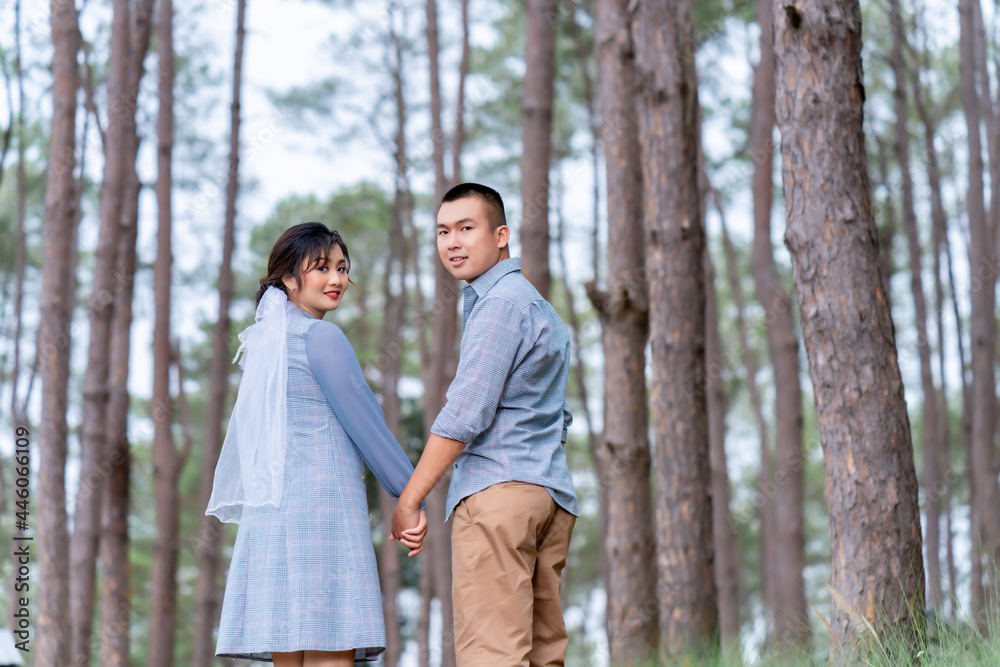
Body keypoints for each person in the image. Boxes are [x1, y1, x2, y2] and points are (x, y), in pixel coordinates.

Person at [207, 222, 426, 667]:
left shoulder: (270, 343)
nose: (337, 279)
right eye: (322, 267)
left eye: (342, 268)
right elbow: (367, 425)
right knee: (331, 654)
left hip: (272, 518)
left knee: (292, 657)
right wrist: (411, 492)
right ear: (289, 278)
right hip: (322, 515)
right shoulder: (319, 336)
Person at [391, 183, 578, 666]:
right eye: (442, 232)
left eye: (466, 229)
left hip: (499, 496)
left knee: (492, 657)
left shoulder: (500, 305)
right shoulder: (537, 305)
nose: (452, 242)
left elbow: (465, 414)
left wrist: (410, 499)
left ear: (501, 235)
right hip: (548, 496)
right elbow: (557, 411)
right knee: (542, 657)